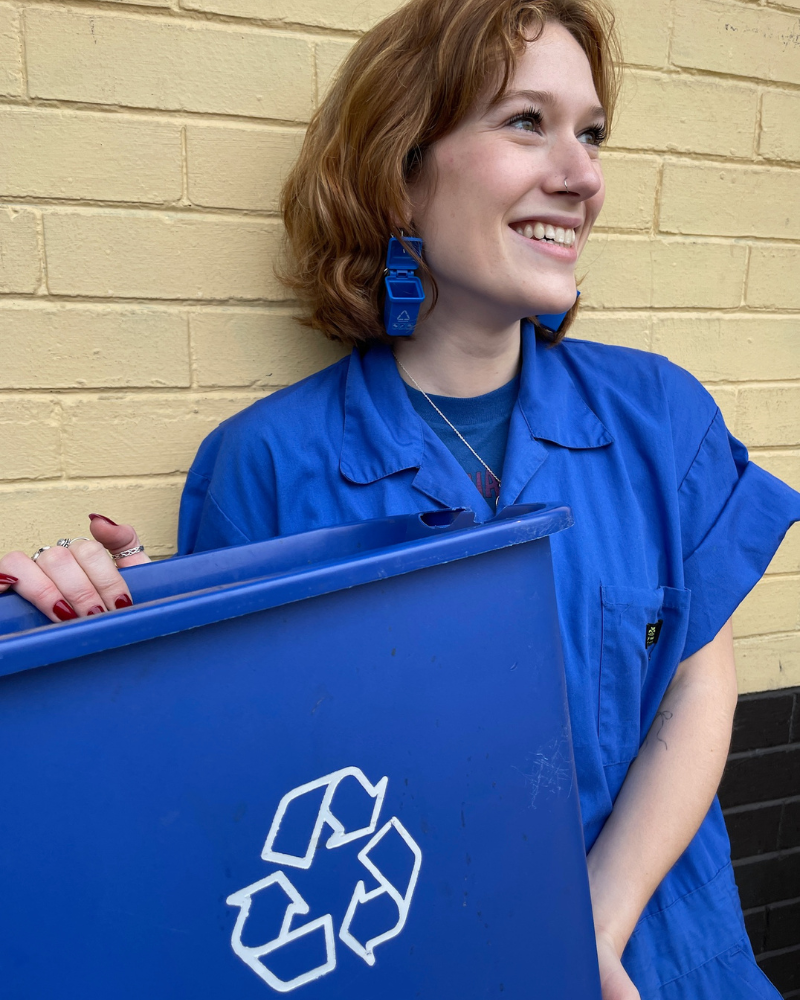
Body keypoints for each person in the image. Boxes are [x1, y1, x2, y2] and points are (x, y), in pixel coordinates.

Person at [1, 1, 798, 996]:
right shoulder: (264, 466)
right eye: (525, 123)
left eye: (589, 134)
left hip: (676, 960)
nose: (582, 174)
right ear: (399, 168)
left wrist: (587, 922)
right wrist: (124, 654)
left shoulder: (657, 414)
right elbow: (264, 781)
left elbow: (695, 679)